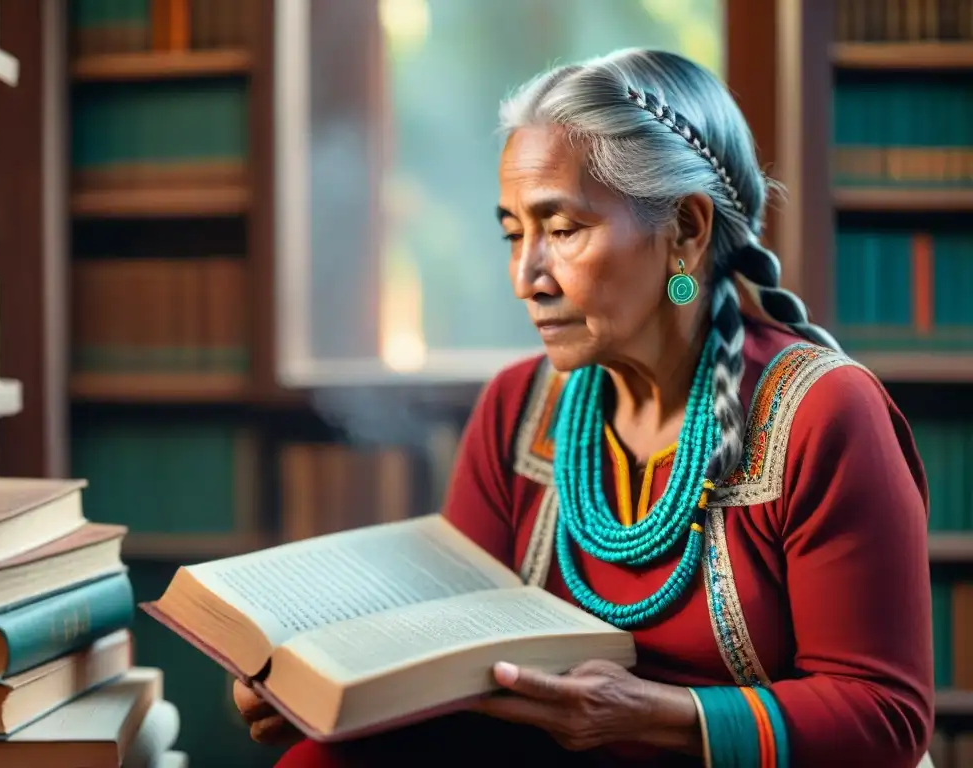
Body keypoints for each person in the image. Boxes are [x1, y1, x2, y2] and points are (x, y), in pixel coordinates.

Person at [235, 48, 935, 767]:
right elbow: (453, 650)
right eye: (514, 234)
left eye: (562, 230)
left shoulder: (821, 414)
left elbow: (882, 717)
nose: (525, 278)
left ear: (687, 231)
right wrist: (327, 689)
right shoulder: (518, 406)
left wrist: (657, 717)